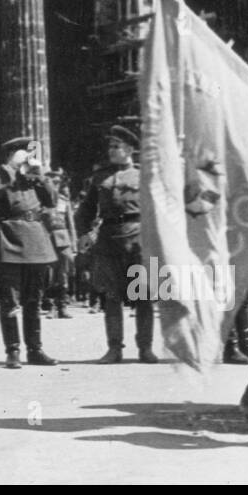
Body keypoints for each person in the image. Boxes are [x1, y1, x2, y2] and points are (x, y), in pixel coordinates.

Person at [76, 126, 155, 363]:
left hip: (139, 239)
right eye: (110, 146)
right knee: (111, 297)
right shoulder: (100, 177)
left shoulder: (145, 175)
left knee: (143, 296)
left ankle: (145, 348)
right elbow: (85, 211)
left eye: (116, 146)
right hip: (109, 240)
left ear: (130, 149)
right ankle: (114, 348)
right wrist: (83, 234)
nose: (111, 151)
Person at [0, 136, 58, 369]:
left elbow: (52, 200)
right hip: (9, 240)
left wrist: (40, 175)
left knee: (34, 299)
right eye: (25, 153)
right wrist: (12, 167)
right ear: (12, 154)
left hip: (36, 240)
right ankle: (13, 351)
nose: (29, 158)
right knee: (9, 300)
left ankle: (35, 349)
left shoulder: (33, 179)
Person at [43, 171, 78, 319]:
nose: (55, 185)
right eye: (52, 182)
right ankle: (50, 306)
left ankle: (62, 306)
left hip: (63, 240)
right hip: (46, 240)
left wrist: (74, 245)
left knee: (63, 273)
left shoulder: (64, 201)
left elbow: (71, 223)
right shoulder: (40, 201)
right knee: (49, 273)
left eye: (57, 182)